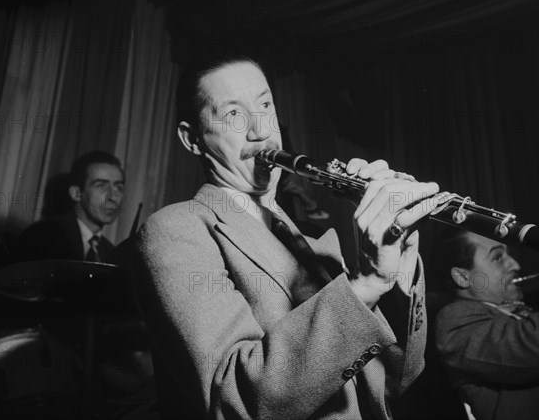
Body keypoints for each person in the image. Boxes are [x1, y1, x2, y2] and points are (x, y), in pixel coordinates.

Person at [130, 56, 443, 420]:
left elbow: (394, 383)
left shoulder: (315, 245)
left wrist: (399, 258)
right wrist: (367, 283)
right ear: (192, 139)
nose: (260, 130)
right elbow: (237, 399)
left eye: (265, 105)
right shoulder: (177, 229)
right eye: (233, 114)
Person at [433, 228, 539, 420]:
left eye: (510, 256)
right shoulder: (454, 320)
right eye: (498, 257)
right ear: (463, 277)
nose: (515, 264)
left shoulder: (517, 310)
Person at [18, 150, 125, 263]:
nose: (113, 197)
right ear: (76, 193)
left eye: (118, 187)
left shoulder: (110, 252)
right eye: (101, 186)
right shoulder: (42, 236)